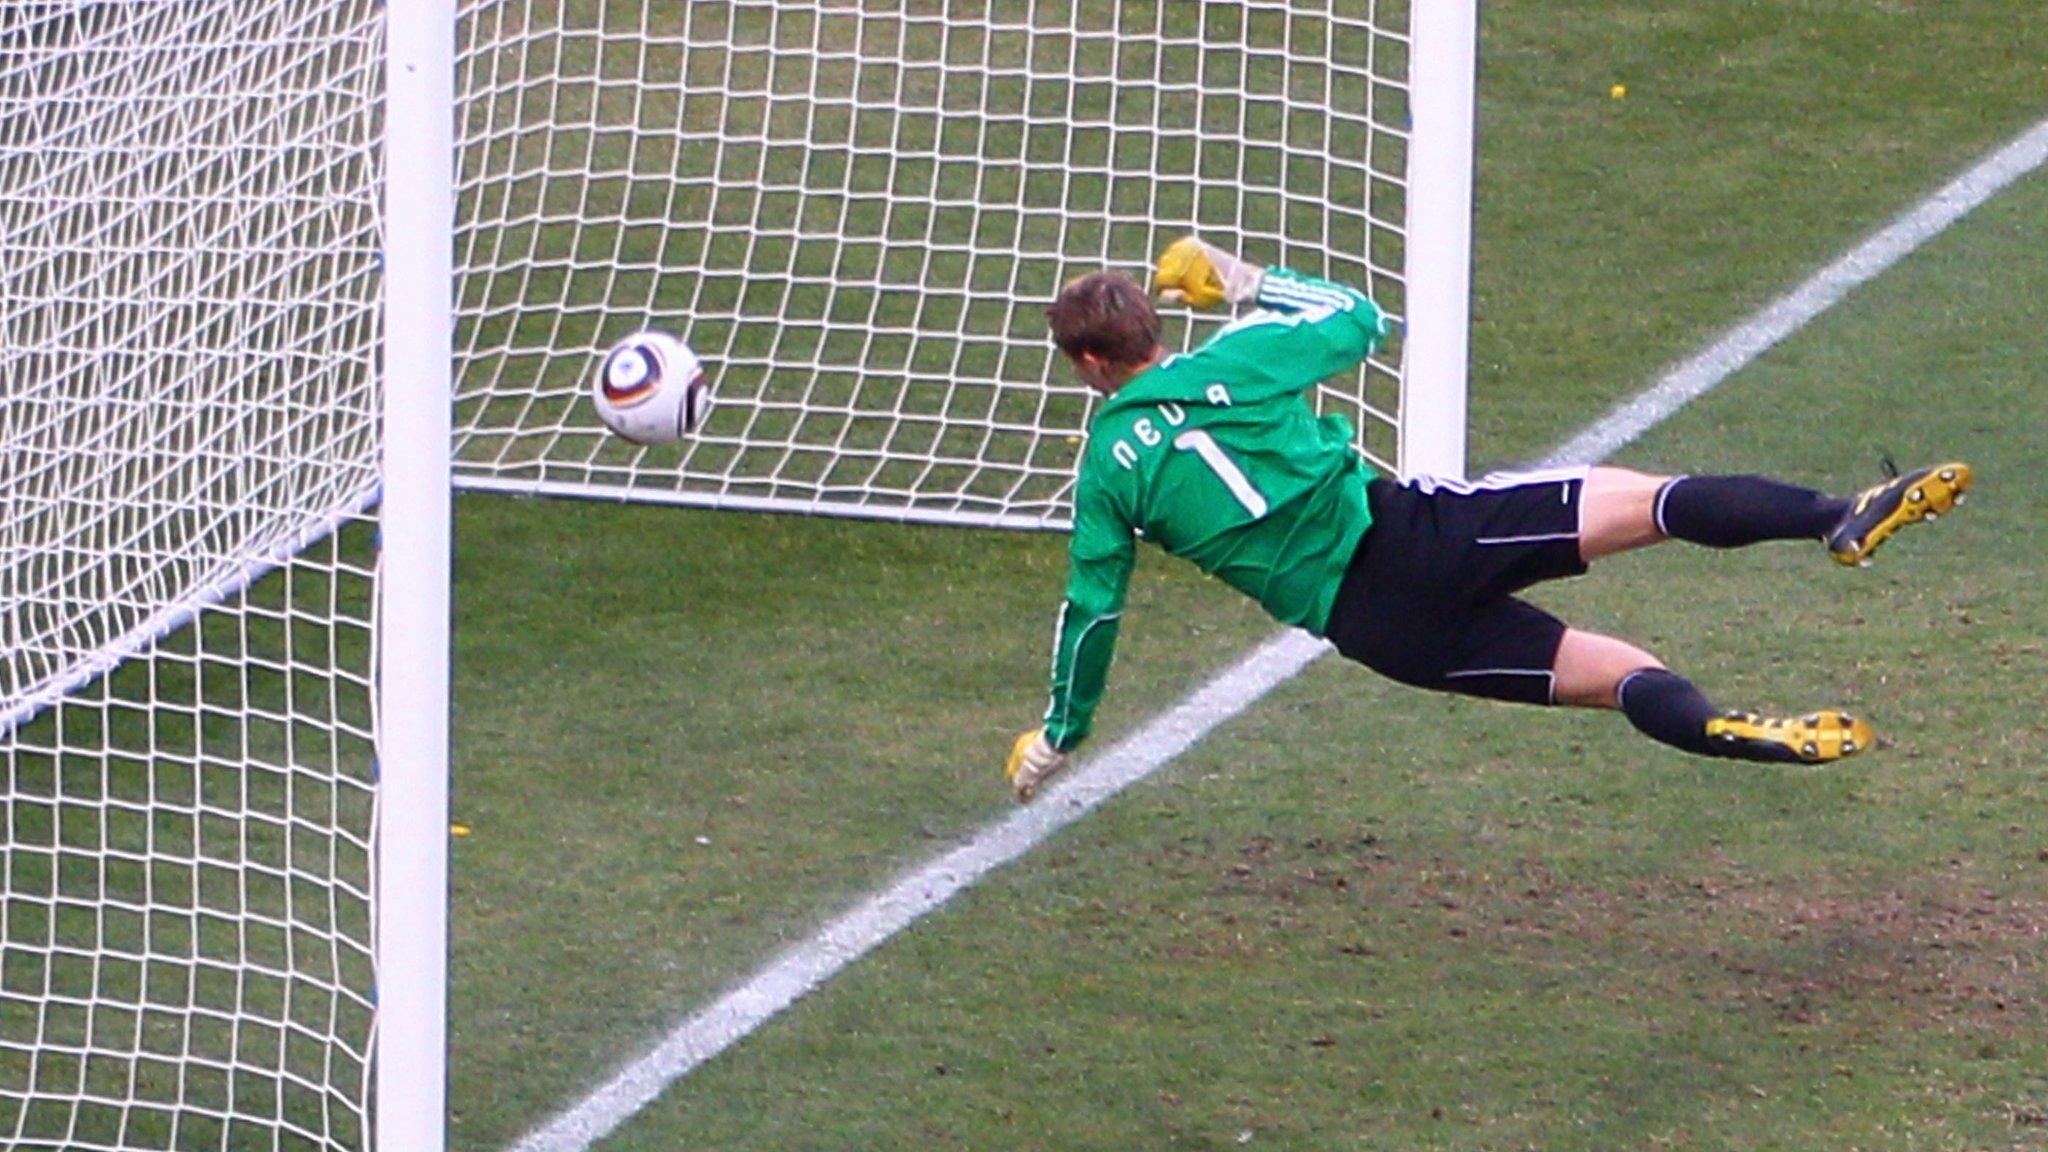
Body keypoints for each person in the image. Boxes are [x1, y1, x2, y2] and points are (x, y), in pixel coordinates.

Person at [1003, 237, 1971, 801]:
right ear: (1152, 331)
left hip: (1375, 627)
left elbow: (1092, 611)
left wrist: (1059, 734)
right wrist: (1237, 276)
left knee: (1619, 675)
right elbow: (1353, 315)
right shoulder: (1240, 360)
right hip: (1413, 532)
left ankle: (1721, 726)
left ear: (1089, 366)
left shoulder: (1102, 477)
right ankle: (1833, 516)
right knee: (1651, 502)